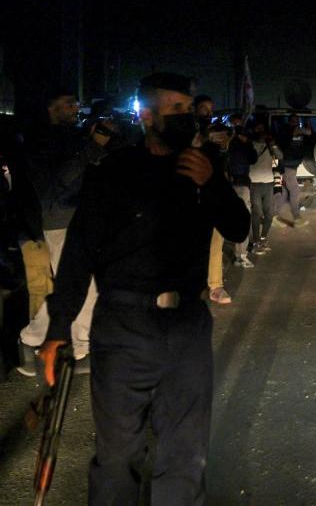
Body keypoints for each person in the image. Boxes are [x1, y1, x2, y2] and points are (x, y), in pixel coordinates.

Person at [39, 72, 249, 502]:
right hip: (123, 327)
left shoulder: (202, 167)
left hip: (187, 326)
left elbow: (238, 227)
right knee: (117, 457)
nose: (187, 116)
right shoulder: (114, 172)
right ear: (148, 117)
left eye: (188, 108)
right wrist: (59, 327)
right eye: (176, 109)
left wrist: (212, 183)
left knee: (186, 456)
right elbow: (78, 253)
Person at [14, 87, 112, 377]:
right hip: (59, 221)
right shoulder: (39, 140)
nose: (75, 108)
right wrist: (92, 147)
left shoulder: (71, 136)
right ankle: (80, 347)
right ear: (50, 107)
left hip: (81, 218)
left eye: (75, 103)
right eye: (68, 103)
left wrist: (98, 145)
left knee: (75, 285)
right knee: (83, 285)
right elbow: (57, 184)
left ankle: (32, 339)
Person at [200, 102, 235, 304]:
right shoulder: (195, 143)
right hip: (194, 199)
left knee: (216, 241)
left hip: (216, 200)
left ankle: (215, 285)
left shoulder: (223, 153)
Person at [248, 119, 282, 254]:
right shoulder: (250, 144)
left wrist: (273, 145)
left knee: (269, 213)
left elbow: (280, 156)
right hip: (254, 182)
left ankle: (263, 239)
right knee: (256, 213)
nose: (260, 131)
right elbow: (250, 159)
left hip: (269, 182)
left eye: (262, 128)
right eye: (257, 128)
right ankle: (256, 242)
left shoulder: (270, 144)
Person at [227, 121, 258, 268]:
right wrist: (248, 145)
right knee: (243, 219)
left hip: (229, 185)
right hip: (240, 185)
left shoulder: (228, 145)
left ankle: (237, 254)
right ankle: (241, 255)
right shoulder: (242, 147)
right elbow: (253, 159)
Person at [278, 114, 309, 226]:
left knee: (285, 192)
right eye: (295, 120)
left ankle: (273, 216)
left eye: (297, 121)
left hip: (290, 165)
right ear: (290, 121)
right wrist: (308, 124)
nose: (296, 122)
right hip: (288, 165)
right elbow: (308, 132)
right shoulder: (291, 130)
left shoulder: (290, 130)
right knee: (295, 191)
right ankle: (297, 218)